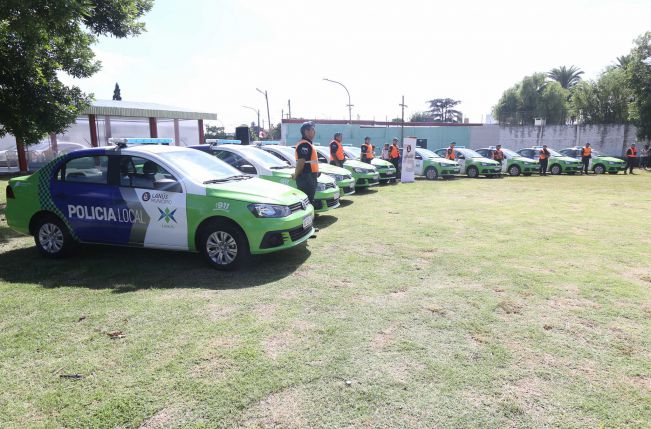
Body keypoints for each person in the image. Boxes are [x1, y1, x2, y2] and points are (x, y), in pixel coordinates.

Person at [292, 121, 320, 214]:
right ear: (306, 131)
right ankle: (307, 224)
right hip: (306, 176)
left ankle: (308, 224)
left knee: (309, 200)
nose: (314, 131)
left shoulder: (308, 144)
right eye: (312, 129)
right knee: (307, 201)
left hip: (309, 176)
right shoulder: (304, 144)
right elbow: (301, 161)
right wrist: (296, 175)